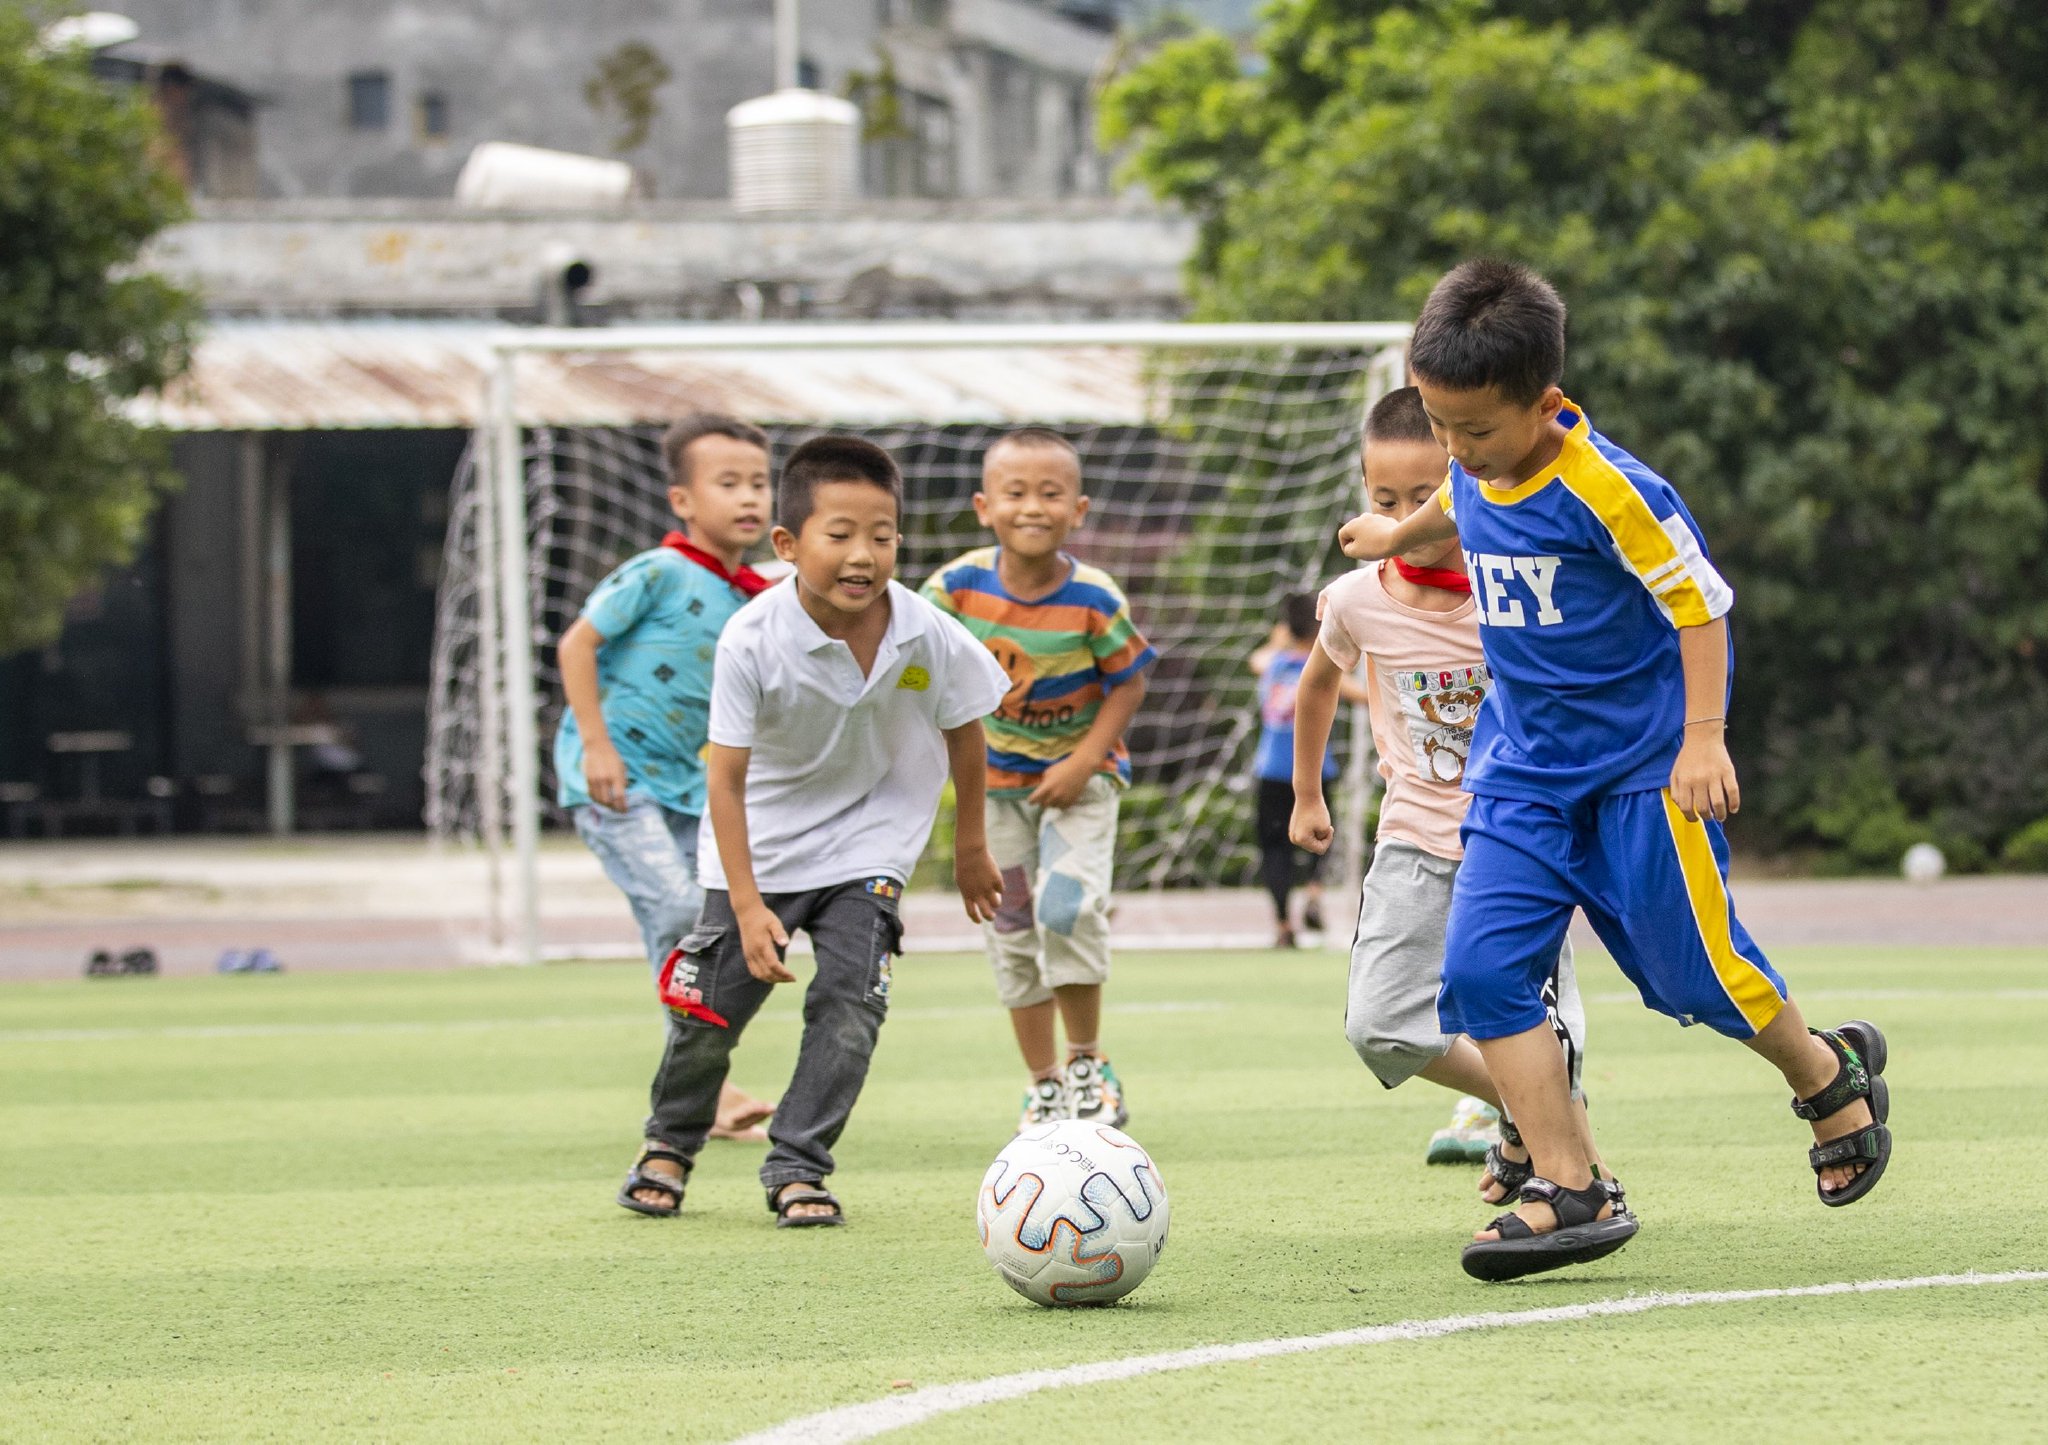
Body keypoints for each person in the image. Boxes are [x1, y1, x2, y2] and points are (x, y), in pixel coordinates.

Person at [1338, 261, 1891, 1280]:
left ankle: (1824, 1070)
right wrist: (1393, 531)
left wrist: (1702, 736)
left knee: (1694, 976)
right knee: (1477, 972)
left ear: (1544, 403)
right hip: (1518, 772)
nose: (1456, 451)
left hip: (1638, 772)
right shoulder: (1471, 457)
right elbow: (1456, 503)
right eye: (1437, 424)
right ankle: (1570, 1181)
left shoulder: (1610, 489)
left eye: (1474, 431)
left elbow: (1701, 603)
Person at [644, 434, 1010, 1227]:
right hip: (760, 848)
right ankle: (669, 1141)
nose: (863, 555)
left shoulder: (924, 630)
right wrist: (744, 905)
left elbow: (967, 728)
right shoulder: (752, 636)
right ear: (787, 543)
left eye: (882, 536)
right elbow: (726, 777)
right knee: (709, 1012)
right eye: (839, 534)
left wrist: (973, 846)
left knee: (852, 1002)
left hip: (869, 843)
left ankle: (798, 1164)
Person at [1291, 386, 1605, 1187]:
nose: (1402, 515)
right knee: (1379, 1024)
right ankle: (1521, 1103)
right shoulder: (1357, 600)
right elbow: (1319, 682)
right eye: (1383, 498)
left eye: (1423, 497)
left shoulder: (1515, 591)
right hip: (1413, 846)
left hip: (1519, 844)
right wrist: (1307, 792)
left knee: (1549, 1035)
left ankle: (1579, 1183)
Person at [547, 413, 780, 1218]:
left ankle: (697, 1084)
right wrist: (598, 748)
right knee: (680, 912)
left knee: (701, 928)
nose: (748, 496)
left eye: (758, 481)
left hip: (694, 786)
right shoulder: (654, 570)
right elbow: (576, 646)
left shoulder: (760, 594)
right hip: (618, 782)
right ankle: (704, 1089)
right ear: (683, 498)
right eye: (728, 483)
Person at [922, 428, 1158, 1131]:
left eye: (1050, 493)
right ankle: (1044, 1081)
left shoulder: (1091, 595)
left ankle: (1087, 1061)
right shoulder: (955, 589)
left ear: (1078, 509)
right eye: (1015, 492)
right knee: (1012, 925)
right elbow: (919, 663)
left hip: (1078, 783)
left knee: (1066, 908)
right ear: (983, 506)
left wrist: (1082, 761)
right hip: (994, 789)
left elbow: (1129, 681)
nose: (1032, 506)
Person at [1249, 593, 1361, 949]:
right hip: (1314, 772)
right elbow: (1361, 695)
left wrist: (1277, 639)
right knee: (1322, 835)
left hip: (1270, 771)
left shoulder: (1273, 664)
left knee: (1275, 849)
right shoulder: (1321, 672)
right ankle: (1314, 891)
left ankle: (1283, 924)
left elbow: (1257, 658)